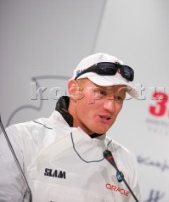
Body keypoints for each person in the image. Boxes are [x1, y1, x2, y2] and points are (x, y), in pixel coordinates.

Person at [0, 53, 141, 202]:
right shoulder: (21, 139)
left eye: (119, 98)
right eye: (101, 93)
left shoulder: (125, 161)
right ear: (74, 90)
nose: (111, 107)